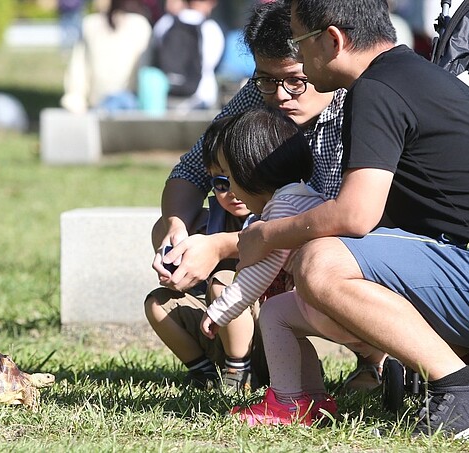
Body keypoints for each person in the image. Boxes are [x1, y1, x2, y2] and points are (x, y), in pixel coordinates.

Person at [237, 0, 469, 437]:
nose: (296, 56)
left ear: (332, 40)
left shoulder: (377, 89)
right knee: (299, 299)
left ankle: (461, 394)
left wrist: (266, 235)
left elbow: (355, 215)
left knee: (322, 263)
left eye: (299, 42)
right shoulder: (409, 76)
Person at [148, 0, 385, 392]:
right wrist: (175, 226)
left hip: (350, 251)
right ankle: (243, 361)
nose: (279, 95)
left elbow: (335, 218)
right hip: (272, 254)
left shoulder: (359, 107)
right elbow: (192, 168)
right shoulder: (258, 94)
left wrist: (223, 245)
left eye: (294, 79)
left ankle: (376, 358)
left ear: (320, 57)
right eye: (265, 79)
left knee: (317, 261)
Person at [198, 106, 374, 426]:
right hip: (351, 299)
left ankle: (286, 403)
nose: (232, 190)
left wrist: (221, 310)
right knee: (290, 326)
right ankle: (314, 400)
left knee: (274, 313)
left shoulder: (282, 205)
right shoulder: (308, 197)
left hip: (332, 303)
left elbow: (262, 270)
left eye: (230, 176)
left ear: (249, 173)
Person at [147, 115, 268, 391]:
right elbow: (164, 232)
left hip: (270, 335)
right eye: (222, 183)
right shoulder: (207, 221)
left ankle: (241, 374)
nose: (234, 192)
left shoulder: (275, 214)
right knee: (157, 303)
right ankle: (206, 373)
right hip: (217, 330)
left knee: (223, 281)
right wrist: (172, 256)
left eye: (244, 179)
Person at [60, 0, 152, 114]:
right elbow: (79, 67)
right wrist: (75, 98)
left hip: (131, 105)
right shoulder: (90, 24)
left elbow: (145, 69)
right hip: (97, 106)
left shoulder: (139, 25)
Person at [151, 0, 224, 111]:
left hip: (168, 97)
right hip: (202, 97)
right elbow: (211, 62)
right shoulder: (212, 28)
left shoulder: (165, 23)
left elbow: (156, 52)